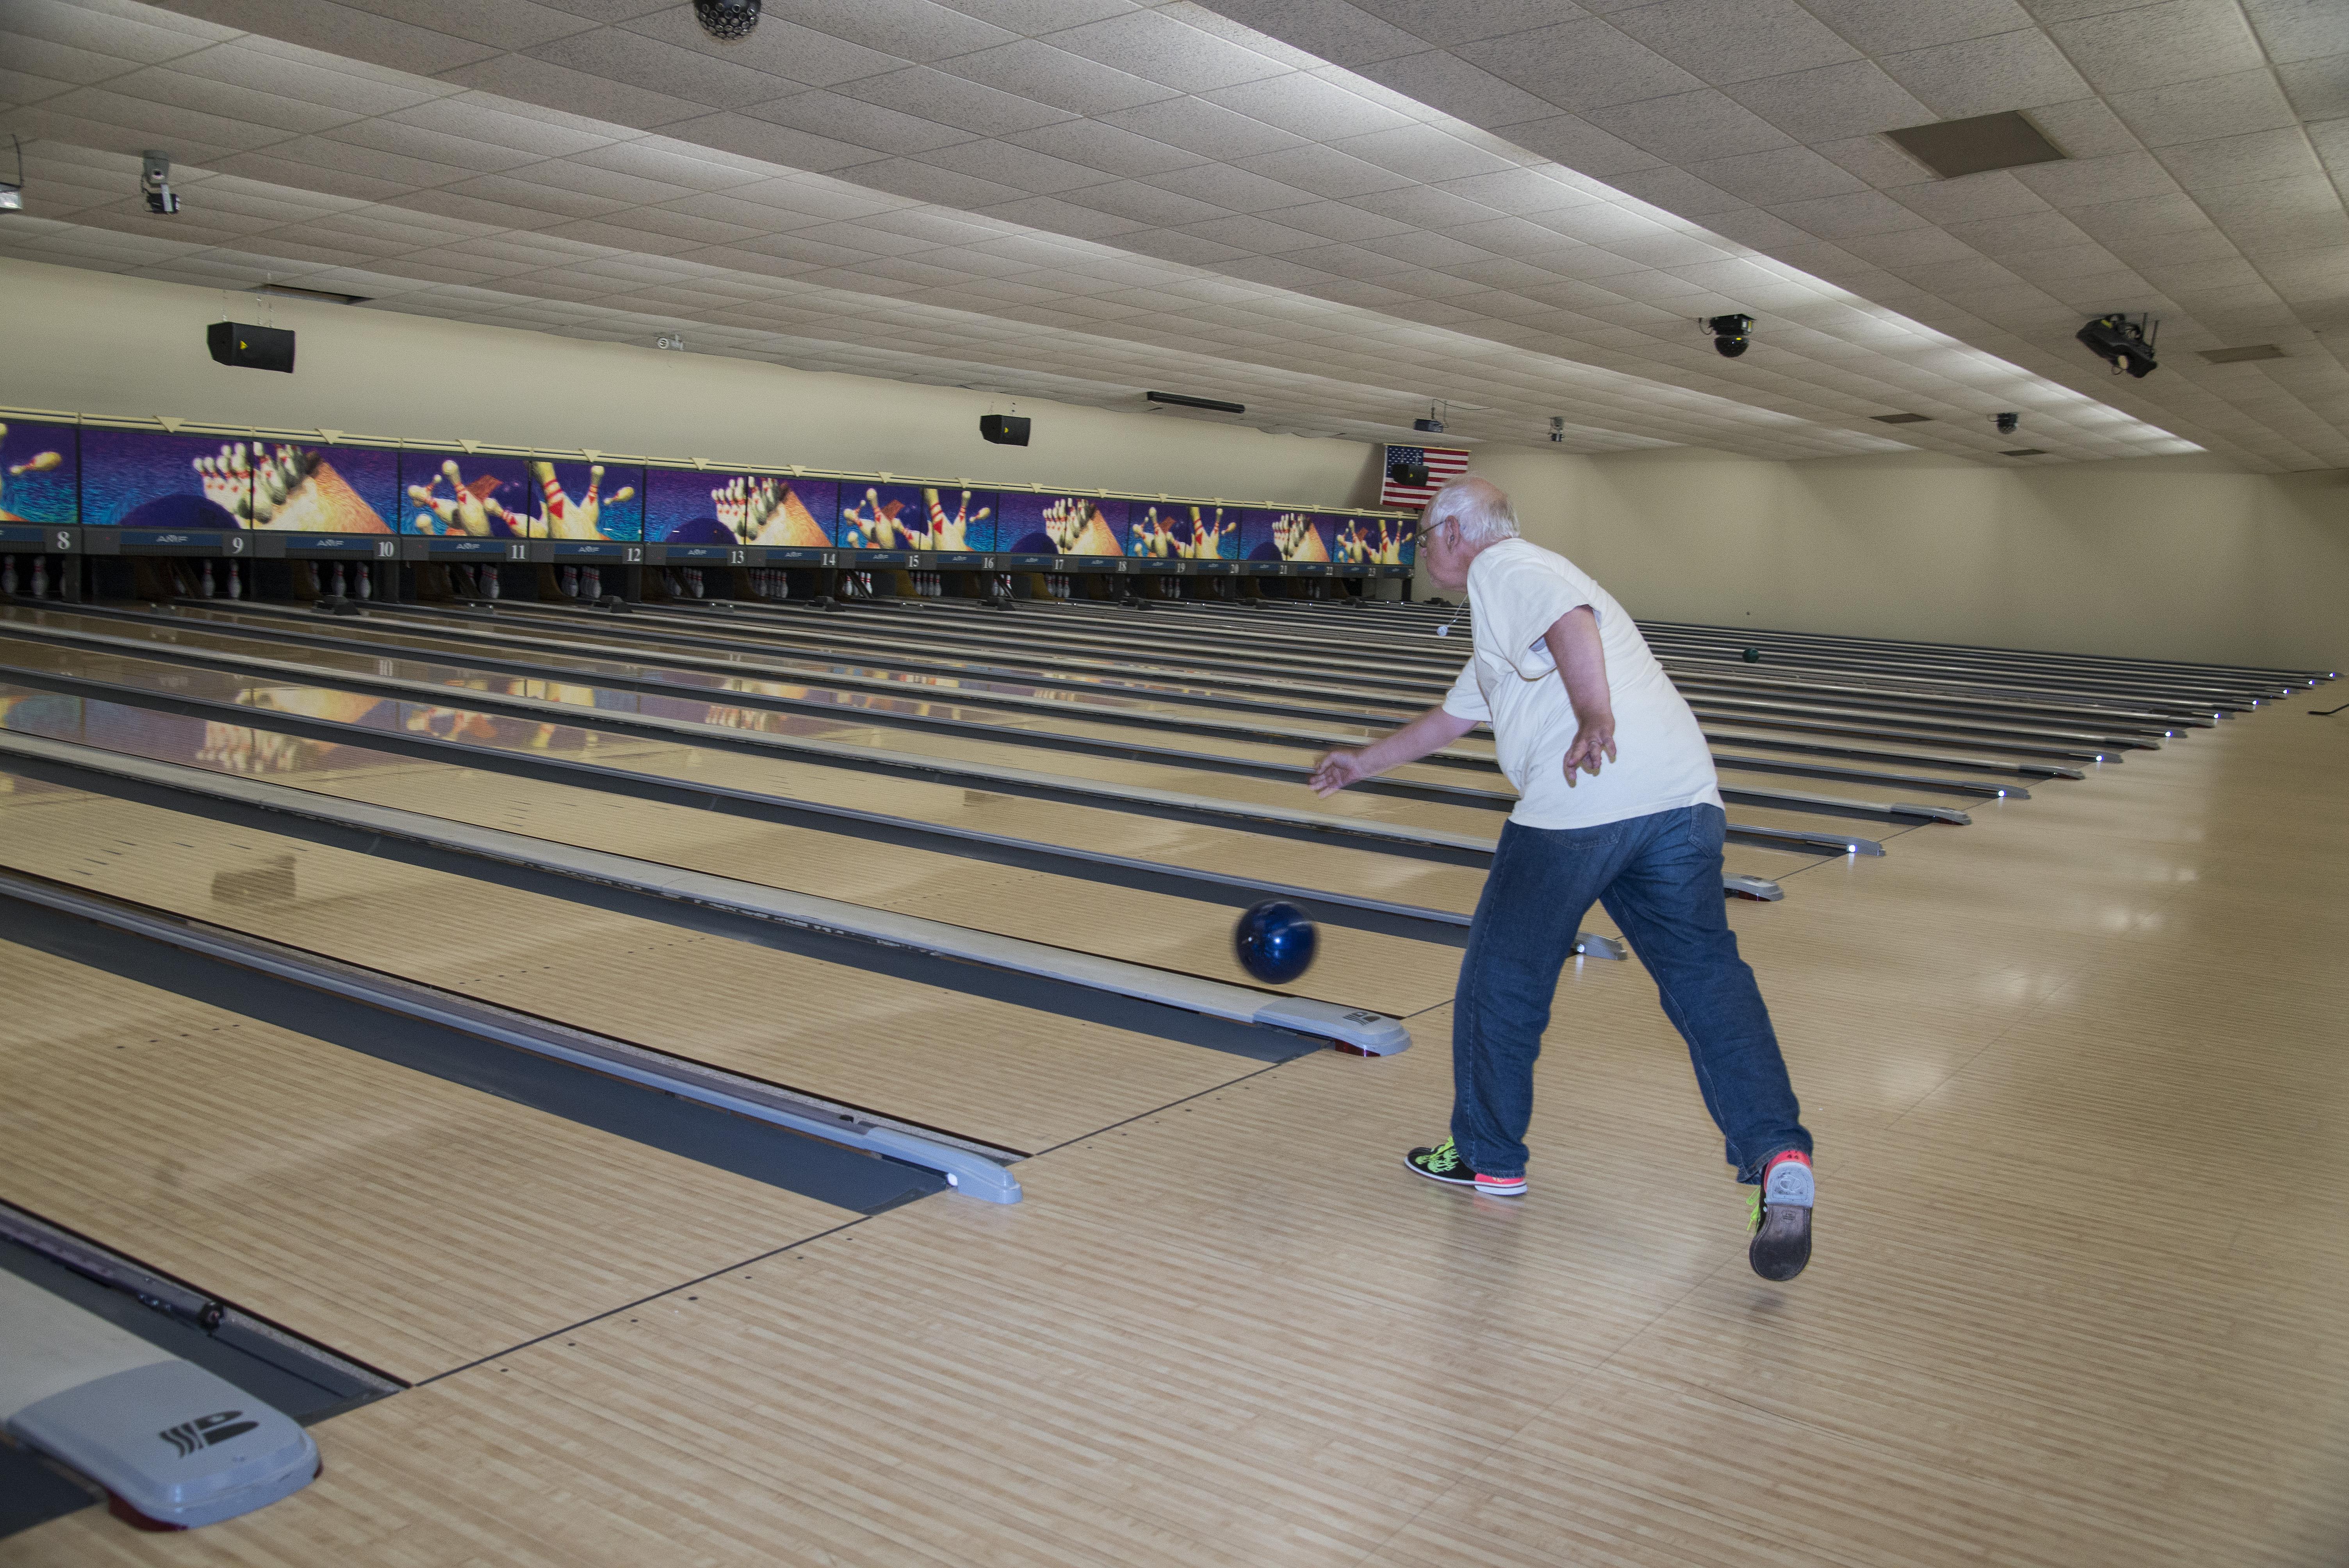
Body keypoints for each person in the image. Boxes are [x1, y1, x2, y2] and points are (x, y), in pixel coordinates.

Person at [1310, 477, 1815, 1281]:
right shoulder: (1500, 615)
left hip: (1584, 798)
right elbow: (1454, 719)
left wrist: (1593, 715)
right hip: (1683, 802)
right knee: (1706, 980)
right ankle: (1778, 1154)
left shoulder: (1504, 569)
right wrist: (1359, 762)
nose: (1416, 547)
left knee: (1499, 983)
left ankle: (1486, 1157)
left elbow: (1566, 621)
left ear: (1450, 531)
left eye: (1418, 532)